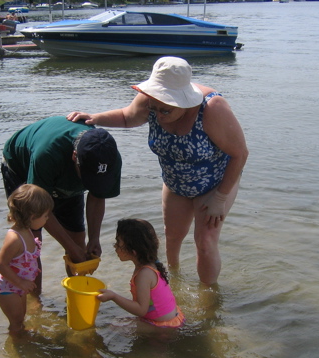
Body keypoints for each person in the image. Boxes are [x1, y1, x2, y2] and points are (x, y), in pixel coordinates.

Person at [67, 56, 248, 285]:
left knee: (205, 240)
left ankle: (208, 297)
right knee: (172, 237)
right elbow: (126, 117)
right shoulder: (150, 100)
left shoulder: (212, 109)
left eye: (166, 111)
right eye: (155, 109)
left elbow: (240, 154)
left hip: (215, 183)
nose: (158, 116)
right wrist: (94, 117)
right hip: (175, 182)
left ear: (184, 102)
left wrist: (220, 198)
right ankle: (173, 282)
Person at [1, 116, 122, 293]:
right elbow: (39, 209)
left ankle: (75, 293)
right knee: (31, 243)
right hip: (22, 168)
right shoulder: (47, 154)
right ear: (75, 157)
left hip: (64, 176)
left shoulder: (109, 158)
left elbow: (98, 195)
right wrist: (72, 249)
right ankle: (36, 301)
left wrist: (94, 238)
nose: (91, 183)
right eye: (88, 177)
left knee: (78, 239)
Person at [0, 184, 54, 335]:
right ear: (32, 217)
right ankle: (17, 341)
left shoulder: (28, 231)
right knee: (16, 320)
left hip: (19, 286)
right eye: (45, 215)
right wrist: (20, 282)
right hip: (7, 288)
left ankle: (20, 332)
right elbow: (1, 264)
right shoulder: (15, 238)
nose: (47, 218)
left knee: (21, 316)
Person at [97, 218, 185, 328]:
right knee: (120, 322)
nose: (115, 247)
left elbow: (141, 310)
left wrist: (114, 296)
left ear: (133, 251)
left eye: (118, 243)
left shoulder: (144, 274)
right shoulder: (150, 264)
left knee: (114, 326)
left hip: (163, 327)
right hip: (173, 317)